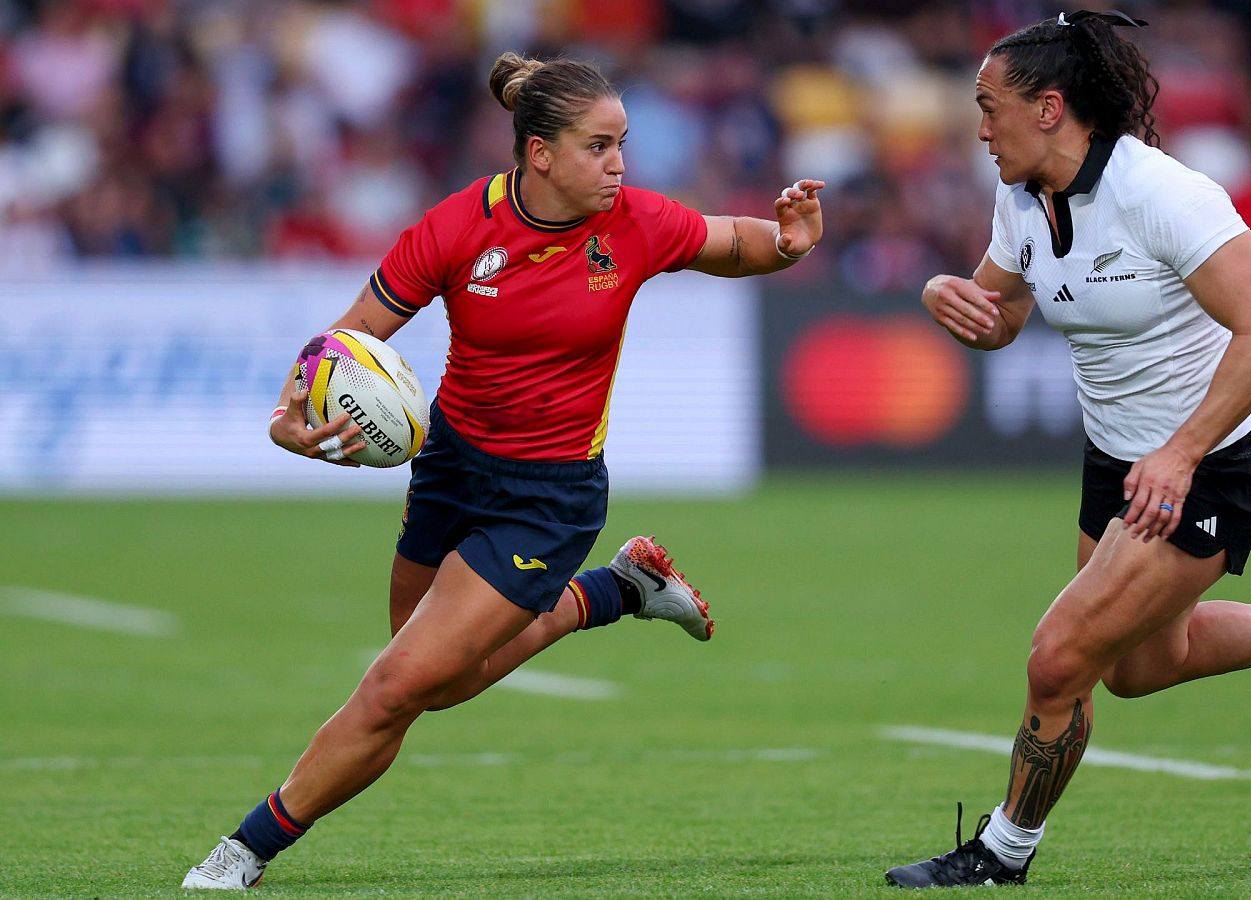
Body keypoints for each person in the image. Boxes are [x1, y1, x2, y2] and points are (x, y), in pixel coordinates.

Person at [182, 51, 825, 890]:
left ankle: (245, 848)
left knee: (393, 690)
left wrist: (791, 241)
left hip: (548, 498)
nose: (620, 163)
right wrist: (288, 419)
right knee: (435, 684)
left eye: (623, 143)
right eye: (600, 146)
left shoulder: (635, 222)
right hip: (450, 464)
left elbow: (738, 244)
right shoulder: (455, 228)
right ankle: (619, 589)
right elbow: (345, 343)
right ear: (540, 153)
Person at [885, 11, 1251, 889]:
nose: (979, 125)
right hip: (1117, 463)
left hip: (1207, 467)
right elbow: (997, 316)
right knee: (1143, 669)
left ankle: (1002, 853)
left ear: (1050, 108)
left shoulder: (1163, 194)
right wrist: (944, 296)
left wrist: (1182, 454)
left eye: (988, 104)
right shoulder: (1019, 195)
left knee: (1058, 659)